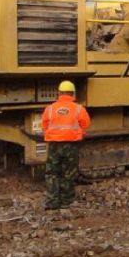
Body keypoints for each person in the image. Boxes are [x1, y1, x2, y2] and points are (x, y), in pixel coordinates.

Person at [42, 81, 91, 210]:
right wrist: (77, 133)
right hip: (71, 145)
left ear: (59, 93)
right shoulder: (79, 109)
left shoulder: (50, 108)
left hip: (54, 145)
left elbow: (44, 125)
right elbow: (85, 124)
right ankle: (66, 202)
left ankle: (52, 202)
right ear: (73, 93)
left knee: (52, 173)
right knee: (69, 173)